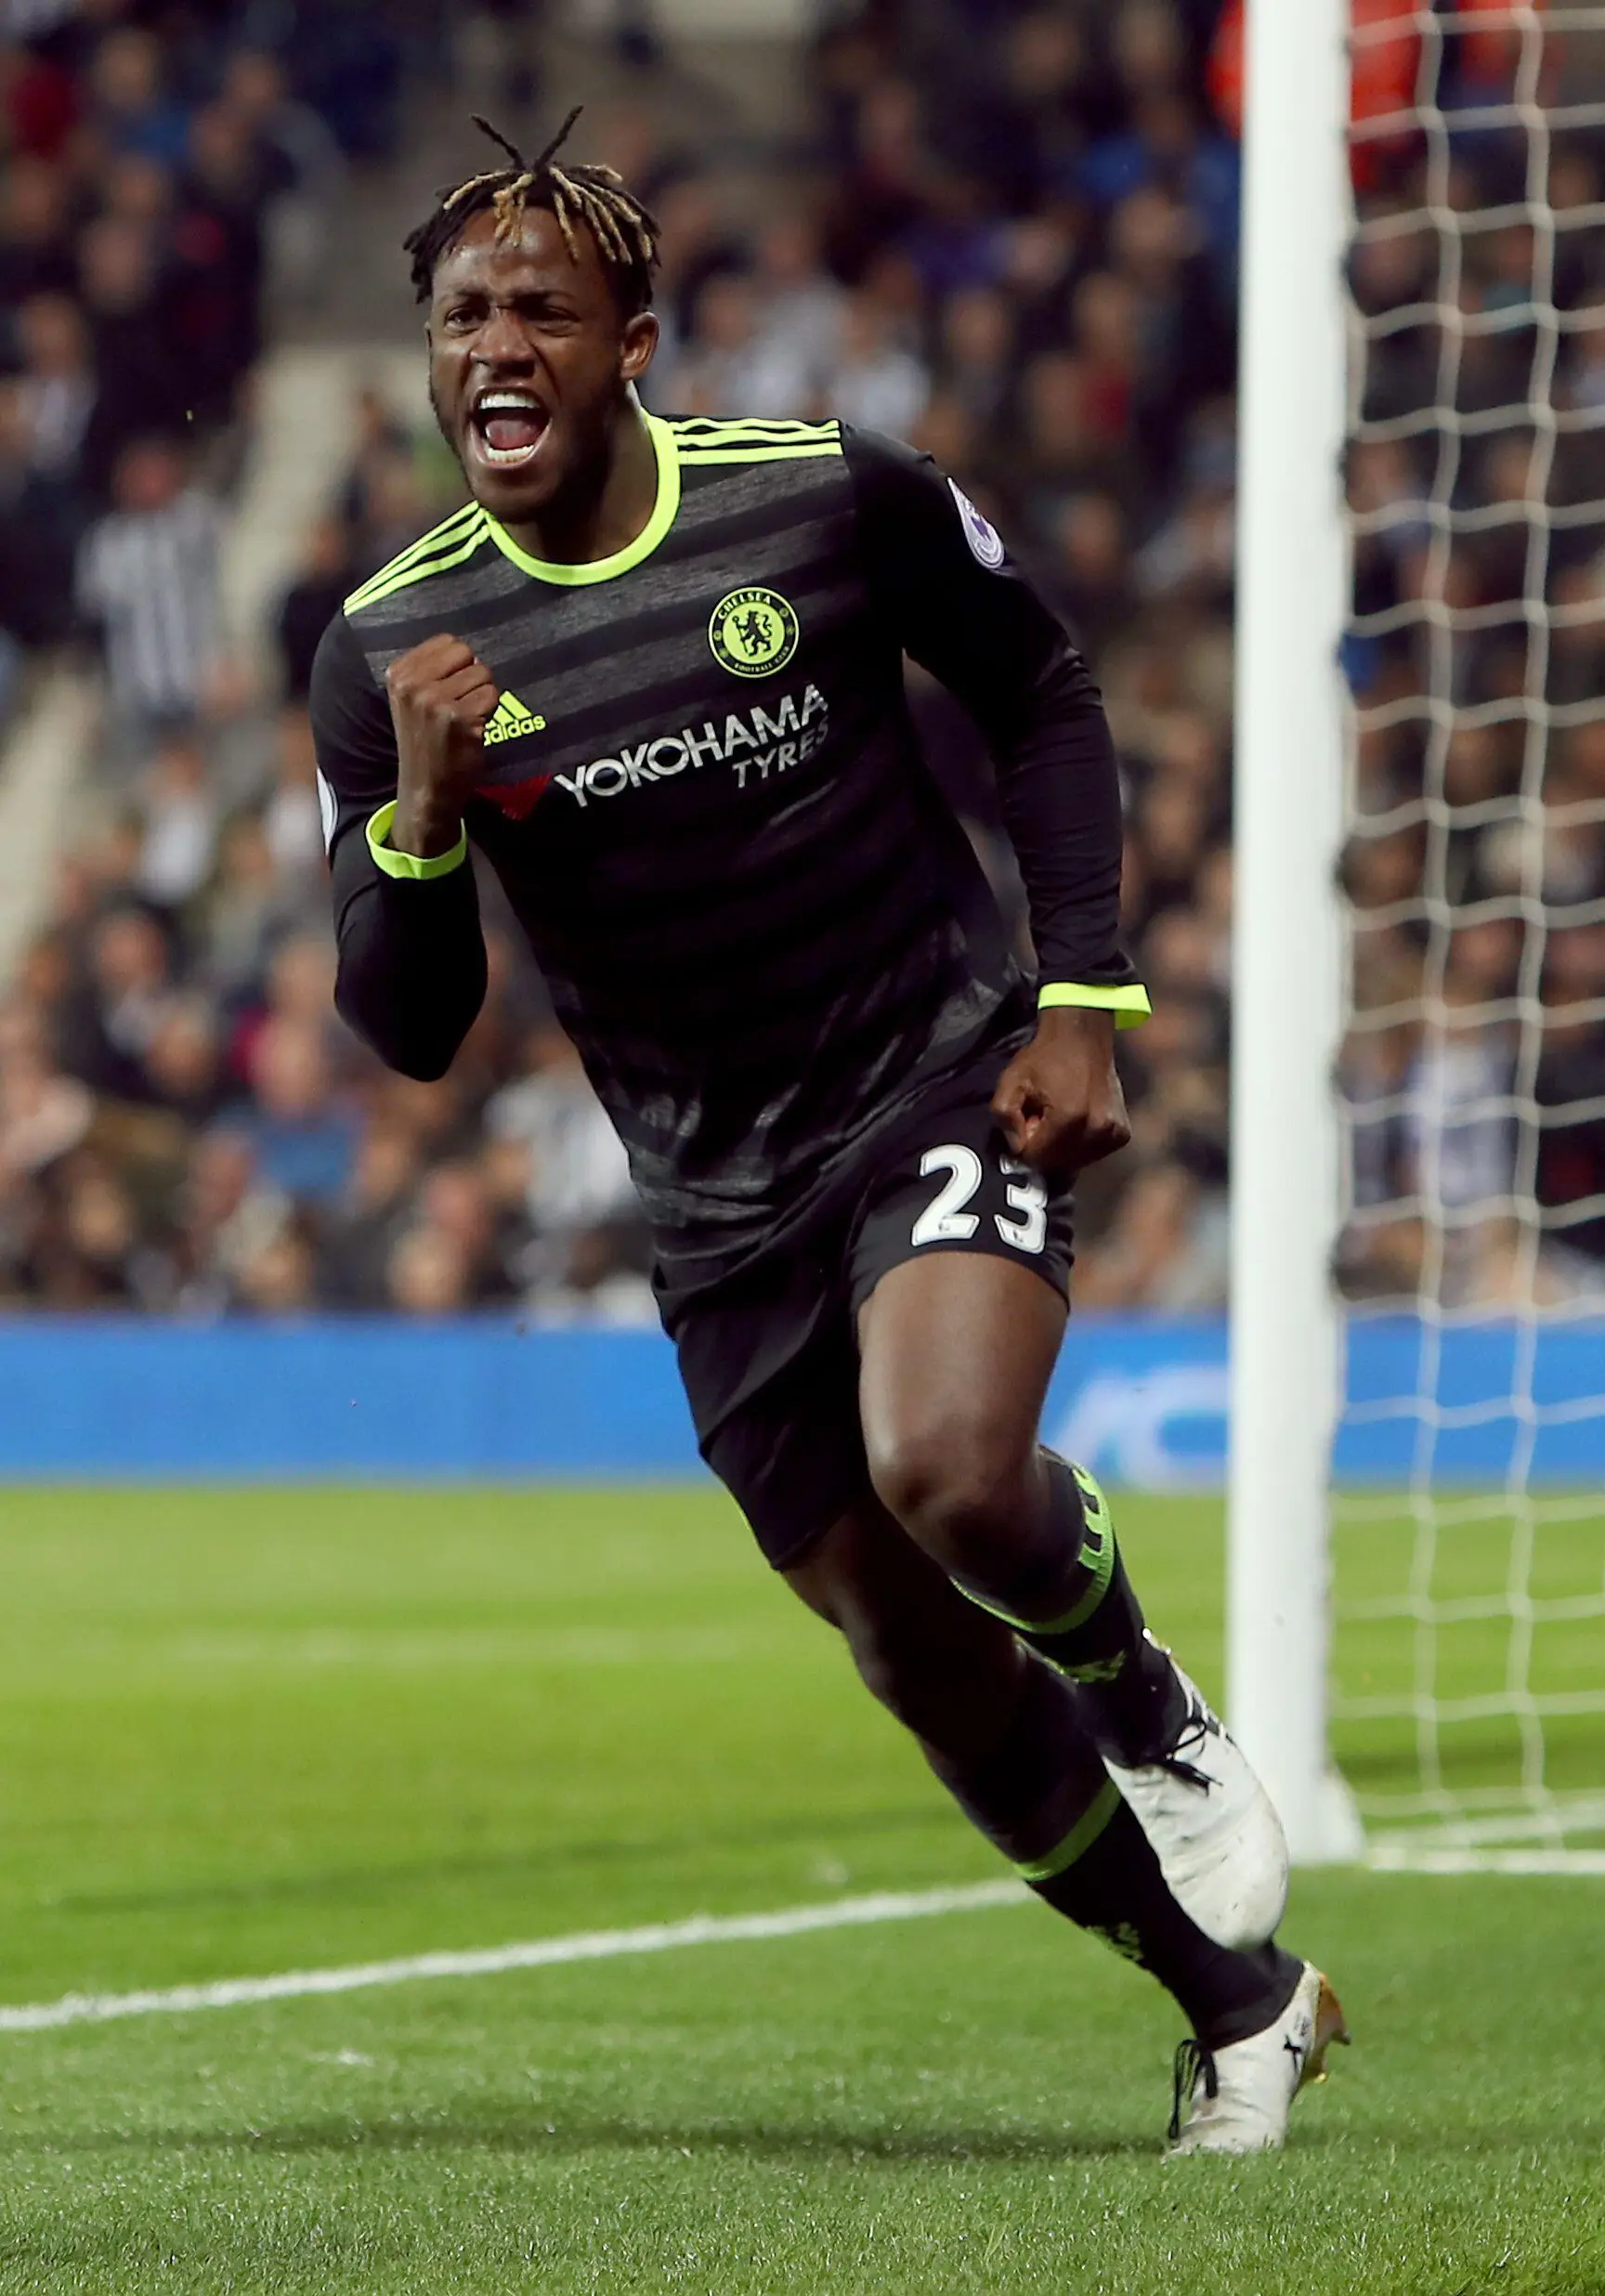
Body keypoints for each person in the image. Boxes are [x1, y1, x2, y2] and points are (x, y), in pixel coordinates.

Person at [310, 112, 1347, 2157]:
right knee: (909, 1648)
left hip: (925, 1074)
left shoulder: (817, 497)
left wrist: (1085, 992)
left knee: (953, 1470)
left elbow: (1040, 687)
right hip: (714, 1204)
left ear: (633, 338)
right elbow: (409, 1028)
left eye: (538, 309)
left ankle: (1146, 1701)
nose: (494, 347)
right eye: (457, 319)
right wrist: (421, 827)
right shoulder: (383, 653)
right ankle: (1239, 2007)